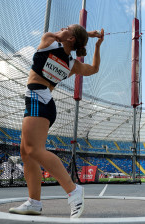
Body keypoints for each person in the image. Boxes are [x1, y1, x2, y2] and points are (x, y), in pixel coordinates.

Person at [8, 24, 104, 218]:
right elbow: (93, 69)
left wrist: (88, 35)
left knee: (34, 150)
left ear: (70, 39)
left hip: (38, 99)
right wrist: (96, 44)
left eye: (67, 28)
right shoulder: (72, 64)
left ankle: (73, 190)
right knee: (26, 154)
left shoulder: (49, 41)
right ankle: (34, 203)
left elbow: (57, 35)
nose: (62, 28)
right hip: (43, 102)